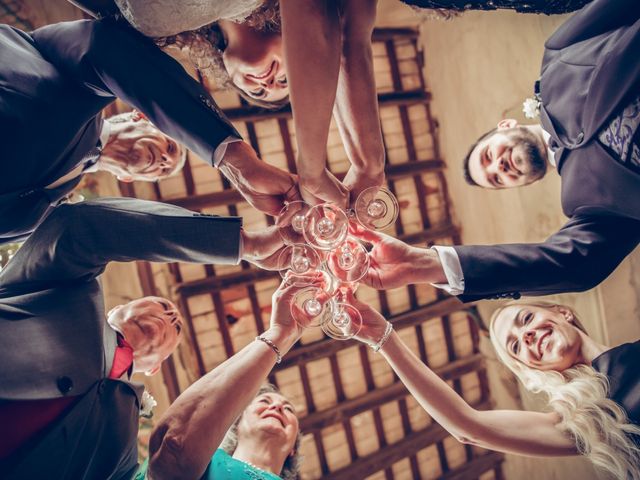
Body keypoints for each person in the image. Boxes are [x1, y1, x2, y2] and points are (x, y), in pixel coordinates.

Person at [0, 197, 287, 479]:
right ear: (117, 308)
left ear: (156, 367)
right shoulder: (65, 293)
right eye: (163, 306)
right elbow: (78, 226)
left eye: (175, 329)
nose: (171, 318)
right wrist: (244, 245)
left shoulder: (125, 442)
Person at [0, 15, 298, 243]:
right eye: (172, 146)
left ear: (127, 178)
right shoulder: (81, 83)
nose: (166, 161)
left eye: (164, 171)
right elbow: (106, 48)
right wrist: (235, 160)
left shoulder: (57, 206)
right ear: (142, 116)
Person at [350, 297, 640, 478]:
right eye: (515, 346)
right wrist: (384, 339)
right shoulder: (584, 424)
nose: (525, 335)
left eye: (526, 319)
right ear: (530, 374)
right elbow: (468, 427)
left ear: (562, 312)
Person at [136, 273, 319, 480]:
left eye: (288, 409)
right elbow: (173, 447)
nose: (277, 407)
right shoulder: (207, 462)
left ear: (293, 447)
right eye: (265, 401)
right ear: (235, 423)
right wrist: (280, 334)